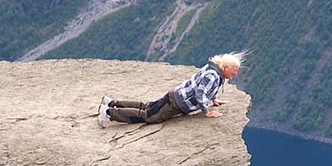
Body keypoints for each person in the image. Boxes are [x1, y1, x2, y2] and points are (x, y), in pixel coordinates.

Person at [97, 52, 245, 127]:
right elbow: (201, 92)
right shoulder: (213, 75)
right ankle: (108, 113)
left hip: (175, 95)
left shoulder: (214, 69)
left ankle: (111, 102)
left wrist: (214, 99)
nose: (235, 73)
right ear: (225, 67)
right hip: (177, 104)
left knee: (147, 106)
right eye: (234, 70)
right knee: (149, 116)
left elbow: (208, 88)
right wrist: (206, 112)